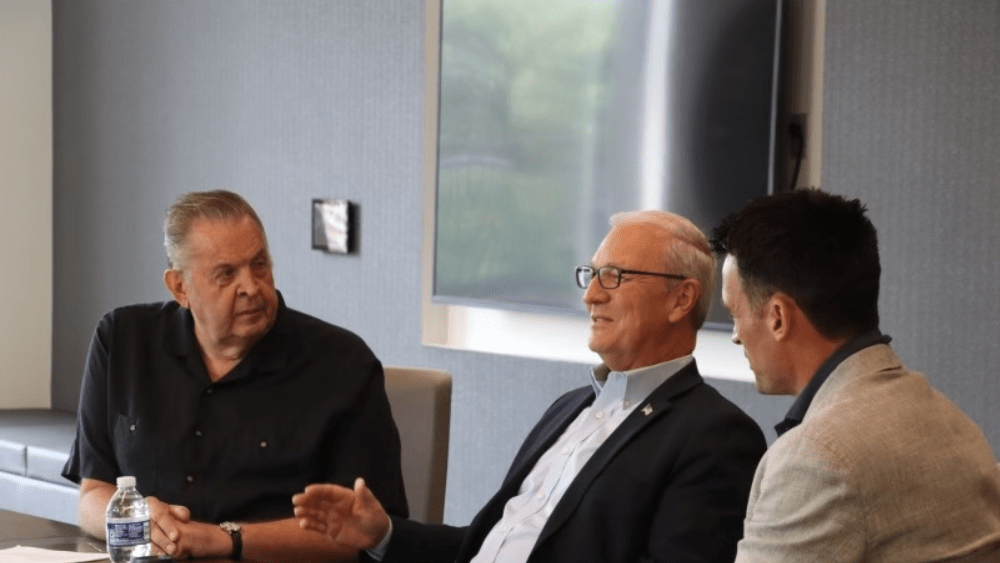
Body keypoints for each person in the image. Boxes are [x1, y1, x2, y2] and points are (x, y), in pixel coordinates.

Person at [293, 210, 768, 563]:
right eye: (591, 274)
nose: (591, 294)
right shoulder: (570, 408)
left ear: (681, 298)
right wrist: (384, 535)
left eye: (614, 277)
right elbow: (492, 544)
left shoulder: (714, 435)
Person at [62, 190, 408, 563]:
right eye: (226, 274)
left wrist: (225, 539)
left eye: (259, 265)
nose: (252, 287)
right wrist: (145, 523)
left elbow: (364, 535)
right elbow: (92, 494)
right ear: (180, 287)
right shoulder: (121, 340)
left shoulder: (343, 365)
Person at [711, 188, 1000, 562]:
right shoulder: (951, 421)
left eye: (735, 313)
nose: (735, 335)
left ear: (777, 317)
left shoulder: (816, 459)